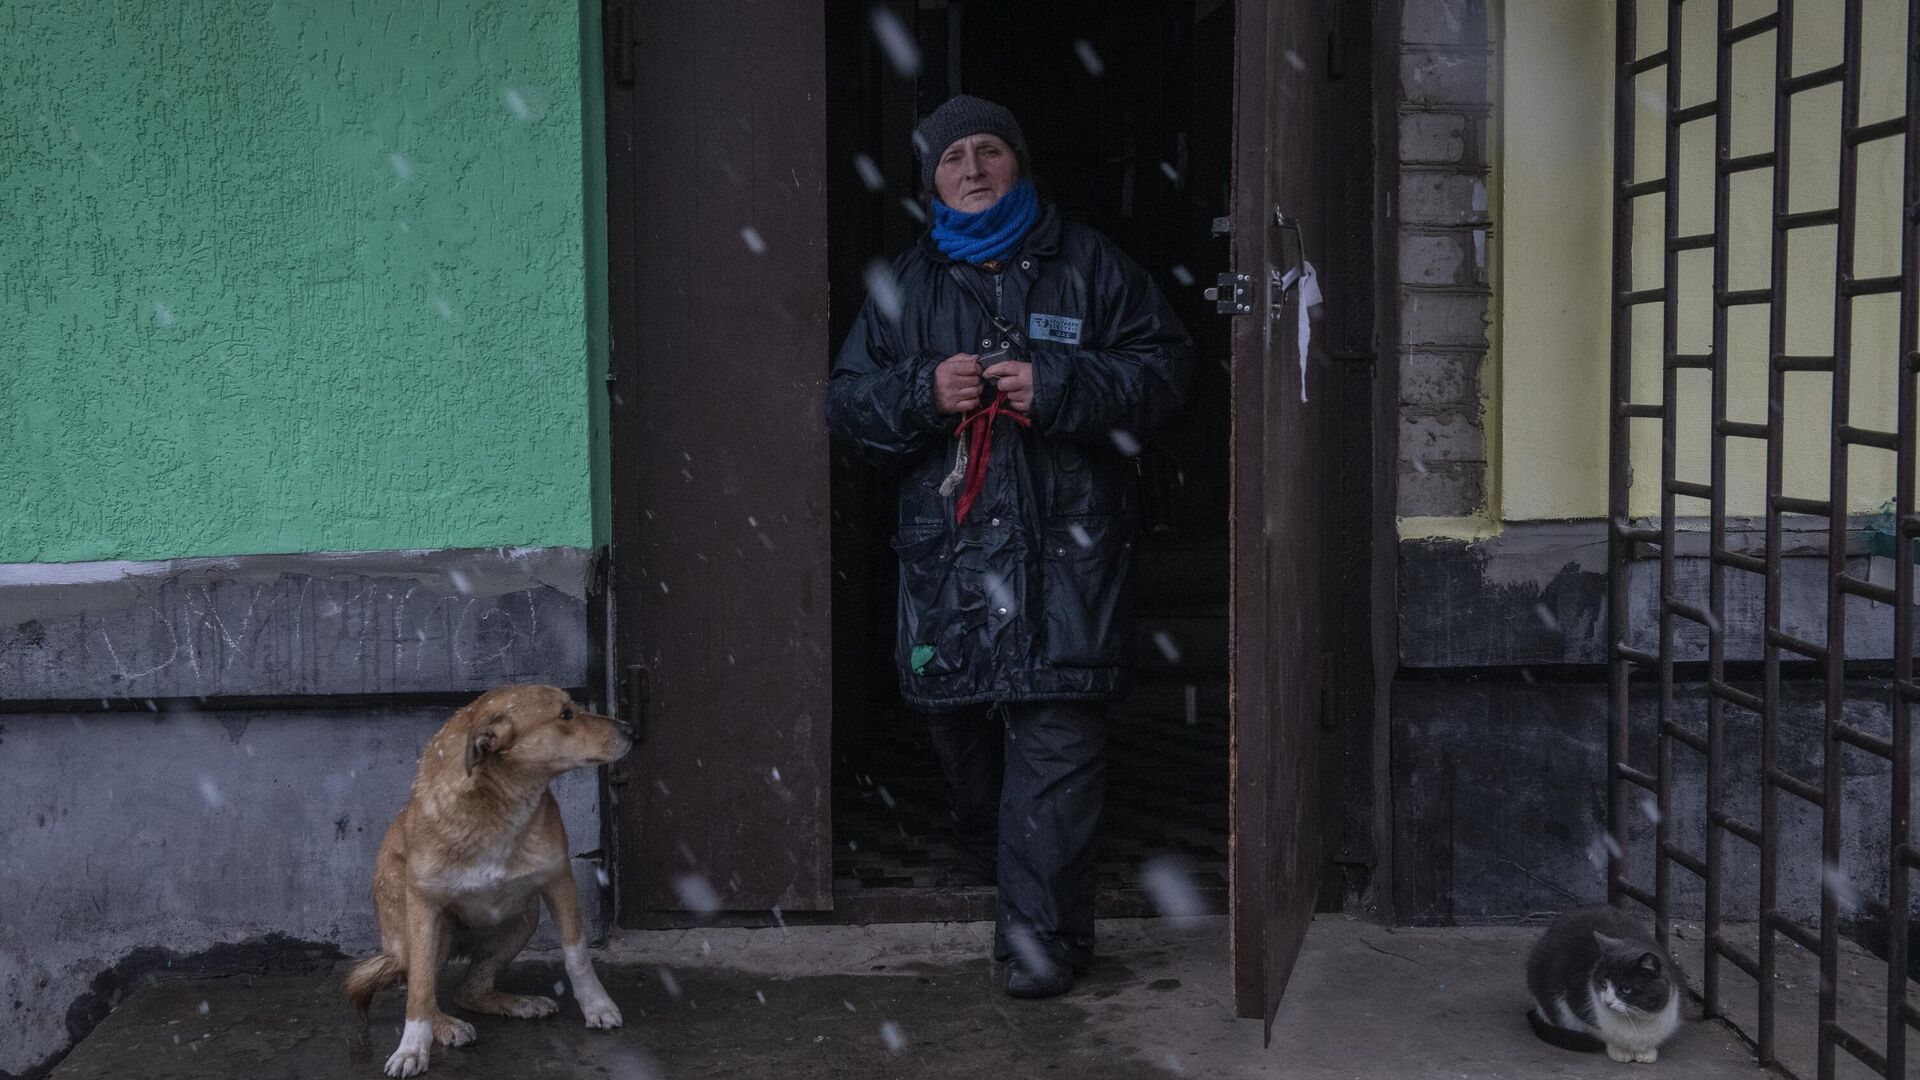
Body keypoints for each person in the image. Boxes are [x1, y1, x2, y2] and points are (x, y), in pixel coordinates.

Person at [826, 95, 1192, 998]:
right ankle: (987, 845)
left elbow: (1168, 371)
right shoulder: (902, 287)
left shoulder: (1092, 266)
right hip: (949, 559)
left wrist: (1063, 384)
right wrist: (919, 392)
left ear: (1019, 165)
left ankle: (1040, 945)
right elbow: (845, 409)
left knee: (1056, 737)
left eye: (992, 150)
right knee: (958, 728)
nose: (975, 168)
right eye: (955, 159)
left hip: (1067, 555)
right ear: (933, 183)